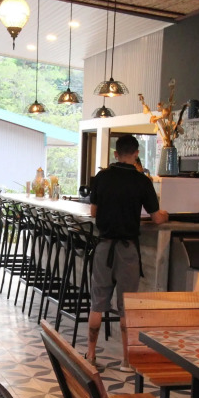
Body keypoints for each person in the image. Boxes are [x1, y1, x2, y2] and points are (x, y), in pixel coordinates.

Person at [86, 135, 169, 371]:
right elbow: (156, 218)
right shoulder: (142, 181)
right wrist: (166, 215)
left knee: (97, 303)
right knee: (127, 305)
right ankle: (126, 360)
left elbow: (93, 212)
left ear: (115, 154)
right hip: (128, 250)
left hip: (104, 248)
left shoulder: (102, 177)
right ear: (136, 154)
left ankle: (90, 355)